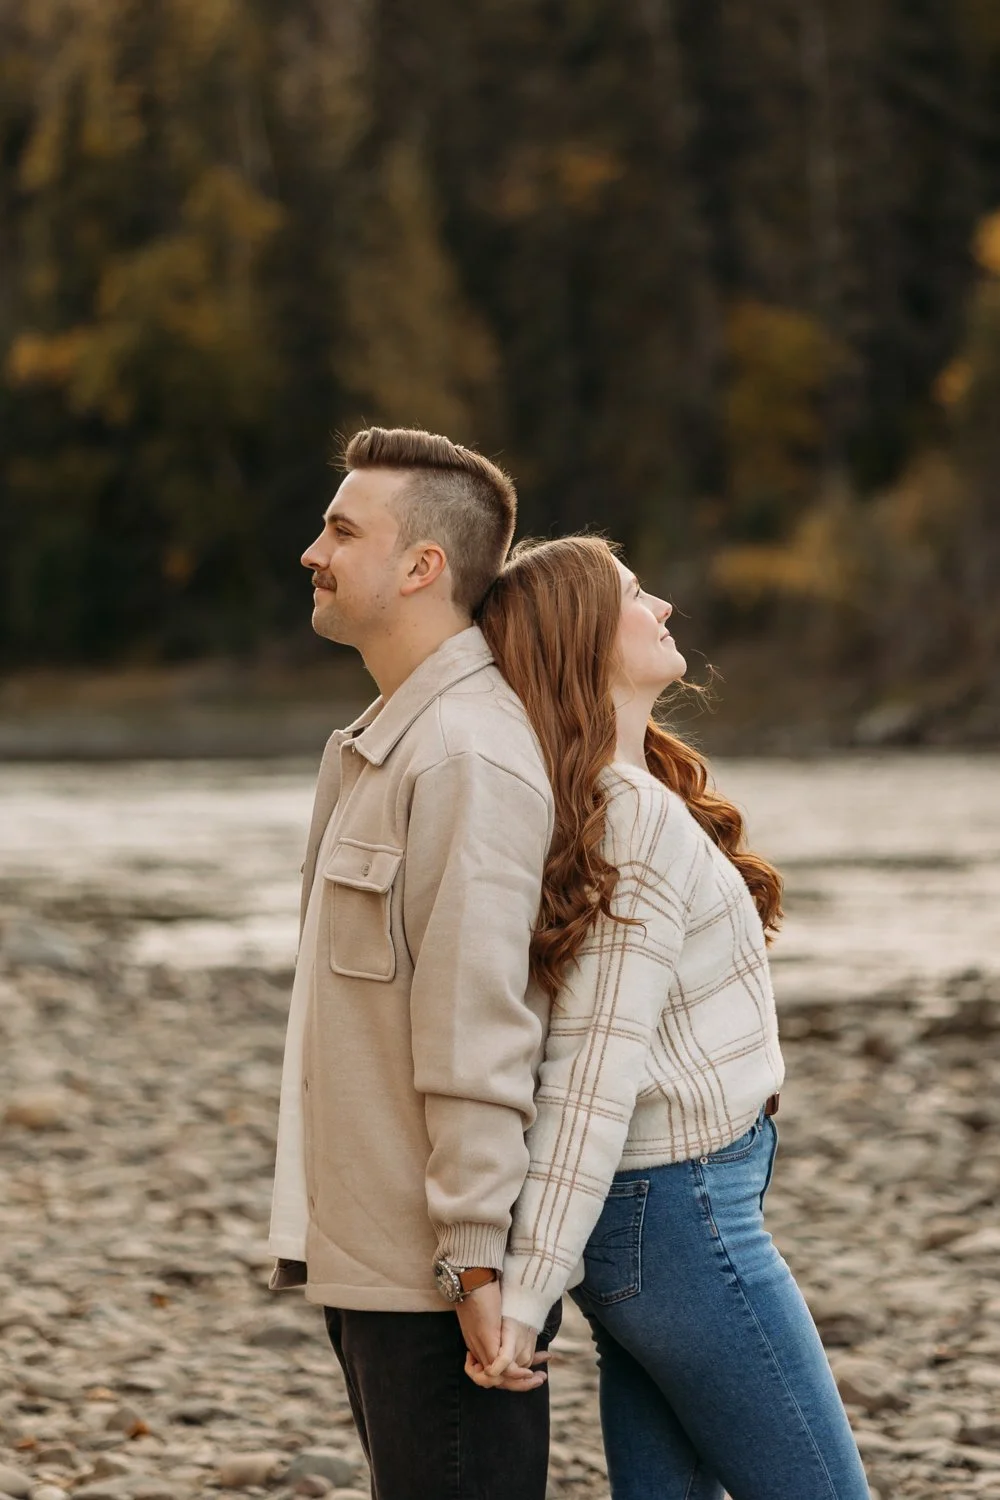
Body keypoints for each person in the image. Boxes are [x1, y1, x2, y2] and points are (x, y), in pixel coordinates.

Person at [470, 535, 871, 1500]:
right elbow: (590, 1073)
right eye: (636, 594)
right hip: (679, 1219)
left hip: (663, 1217)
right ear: (584, 641)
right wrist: (524, 1294)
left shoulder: (621, 796)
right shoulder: (631, 819)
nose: (662, 608)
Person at [267, 427, 559, 1500]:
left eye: (342, 531)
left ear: (422, 566)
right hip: (375, 1259)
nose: (313, 552)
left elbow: (479, 1027)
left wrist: (473, 1260)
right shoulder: (378, 745)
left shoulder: (466, 755)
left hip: (437, 1275)